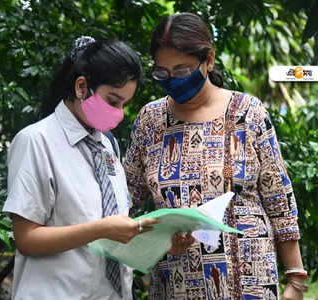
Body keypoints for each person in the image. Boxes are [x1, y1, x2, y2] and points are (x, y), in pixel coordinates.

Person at [124, 13, 307, 300]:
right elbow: (125, 200)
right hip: (176, 283)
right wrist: (154, 236)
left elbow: (279, 199)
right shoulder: (151, 120)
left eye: (182, 71)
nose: (172, 81)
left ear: (208, 60)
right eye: (163, 73)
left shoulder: (248, 112)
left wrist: (295, 278)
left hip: (250, 283)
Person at [3, 36, 159, 300]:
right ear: (81, 86)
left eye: (124, 104)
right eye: (112, 101)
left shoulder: (107, 147)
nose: (119, 113)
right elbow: (27, 239)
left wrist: (160, 241)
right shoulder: (36, 142)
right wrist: (100, 229)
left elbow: (113, 230)